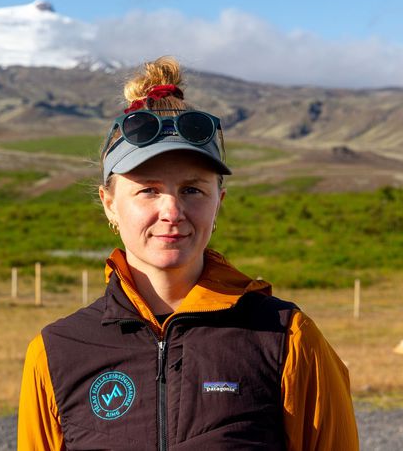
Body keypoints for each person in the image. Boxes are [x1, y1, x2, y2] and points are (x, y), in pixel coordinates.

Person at [18, 56, 358, 450]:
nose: (172, 212)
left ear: (219, 203)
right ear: (109, 203)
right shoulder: (57, 352)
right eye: (148, 189)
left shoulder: (287, 340)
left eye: (193, 190)